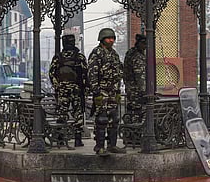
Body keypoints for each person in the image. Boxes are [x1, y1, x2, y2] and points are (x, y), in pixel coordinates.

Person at [88, 28, 125, 156]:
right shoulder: (97, 53)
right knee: (102, 119)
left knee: (114, 118)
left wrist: (118, 90)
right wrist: (96, 91)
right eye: (109, 38)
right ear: (103, 39)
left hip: (113, 91)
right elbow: (92, 74)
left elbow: (119, 71)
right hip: (102, 91)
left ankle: (112, 145)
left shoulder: (114, 54)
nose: (112, 41)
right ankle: (99, 147)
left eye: (113, 38)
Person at [49, 34, 88, 147]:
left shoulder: (58, 57)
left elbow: (52, 74)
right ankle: (77, 139)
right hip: (76, 89)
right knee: (78, 114)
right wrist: (84, 89)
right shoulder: (79, 57)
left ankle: (61, 138)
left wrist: (58, 86)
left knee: (62, 113)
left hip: (62, 90)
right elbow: (85, 74)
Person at [123, 34, 147, 123]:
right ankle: (134, 131)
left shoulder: (131, 53)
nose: (145, 47)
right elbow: (140, 76)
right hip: (136, 91)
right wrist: (144, 91)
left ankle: (131, 130)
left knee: (132, 111)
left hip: (131, 89)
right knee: (136, 113)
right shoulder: (137, 56)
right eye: (144, 44)